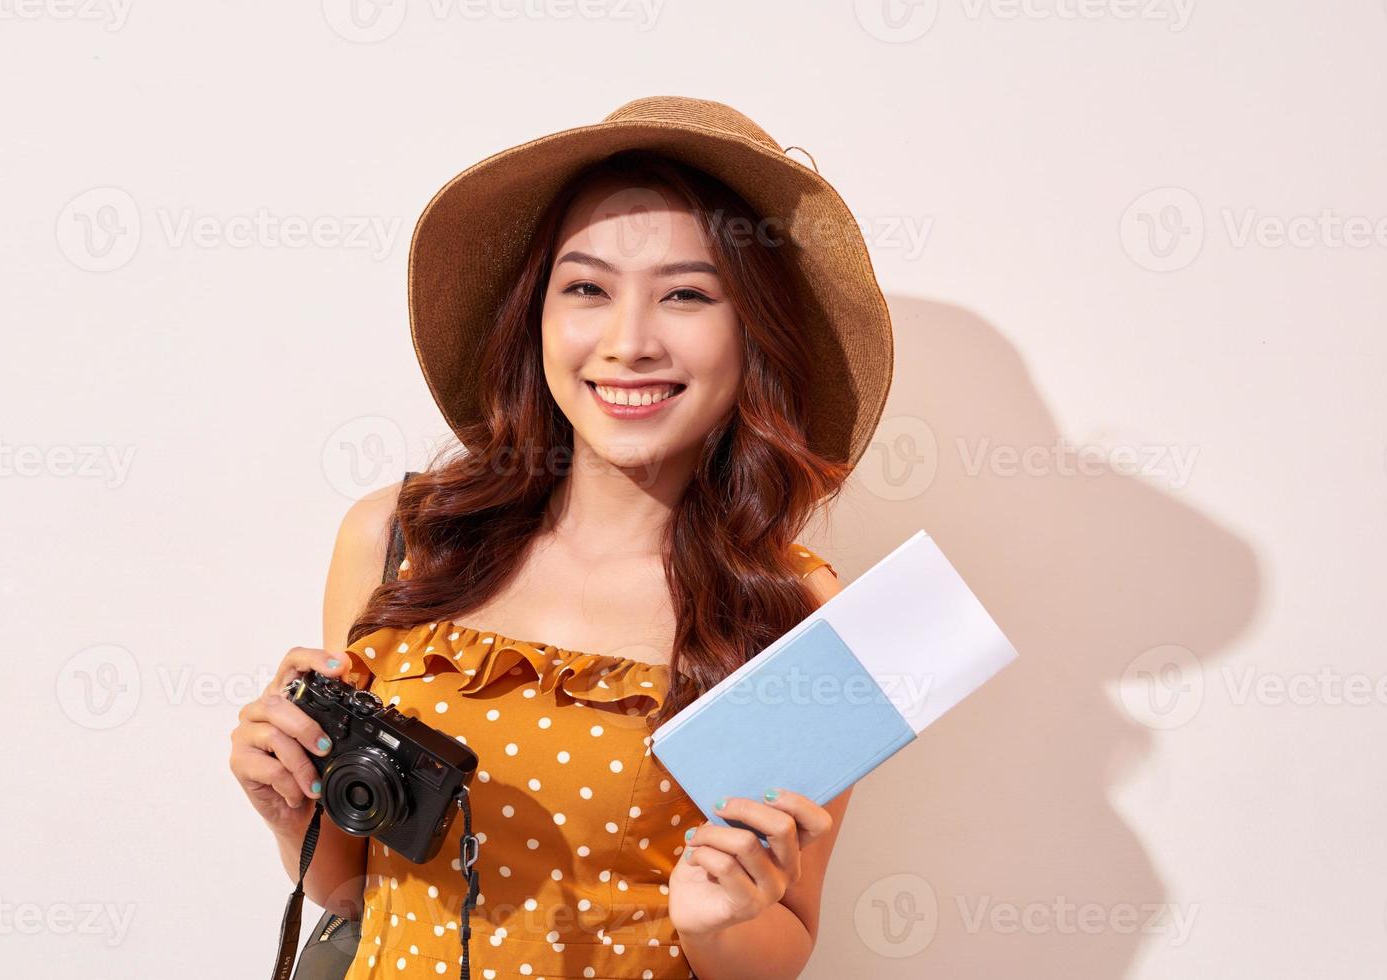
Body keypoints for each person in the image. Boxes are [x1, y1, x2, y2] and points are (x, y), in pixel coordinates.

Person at [229, 96, 895, 979]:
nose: (627, 342)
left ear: (752, 335)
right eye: (585, 288)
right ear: (535, 317)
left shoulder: (800, 614)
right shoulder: (399, 541)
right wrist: (290, 808)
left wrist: (722, 921)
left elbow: (784, 947)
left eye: (686, 295)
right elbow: (354, 894)